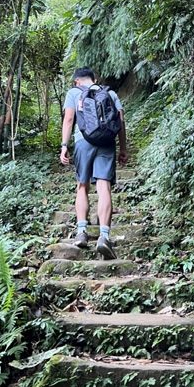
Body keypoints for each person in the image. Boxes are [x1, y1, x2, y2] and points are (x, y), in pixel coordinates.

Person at [60, 67, 128, 260]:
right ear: (94, 79)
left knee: (82, 185)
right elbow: (121, 122)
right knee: (103, 185)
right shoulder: (110, 93)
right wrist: (123, 148)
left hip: (83, 142)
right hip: (106, 142)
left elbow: (69, 119)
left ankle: (82, 231)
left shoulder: (74, 93)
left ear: (76, 81)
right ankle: (104, 236)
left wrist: (64, 145)